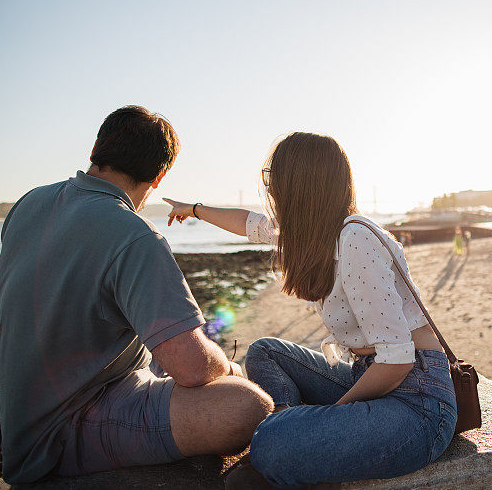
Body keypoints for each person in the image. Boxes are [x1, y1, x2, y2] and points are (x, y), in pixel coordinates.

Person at [0, 106, 273, 485]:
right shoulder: (134, 233)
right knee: (247, 404)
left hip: (26, 418)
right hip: (66, 430)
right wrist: (226, 368)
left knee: (217, 372)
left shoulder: (28, 204)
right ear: (159, 176)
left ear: (96, 148)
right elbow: (191, 367)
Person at [164, 132, 456, 488]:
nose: (270, 189)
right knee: (265, 351)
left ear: (300, 184)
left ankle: (287, 432)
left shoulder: (355, 238)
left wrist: (333, 414)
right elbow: (249, 224)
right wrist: (193, 209)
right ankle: (294, 427)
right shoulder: (319, 232)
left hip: (417, 405)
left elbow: (397, 360)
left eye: (275, 178)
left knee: (272, 441)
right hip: (368, 376)